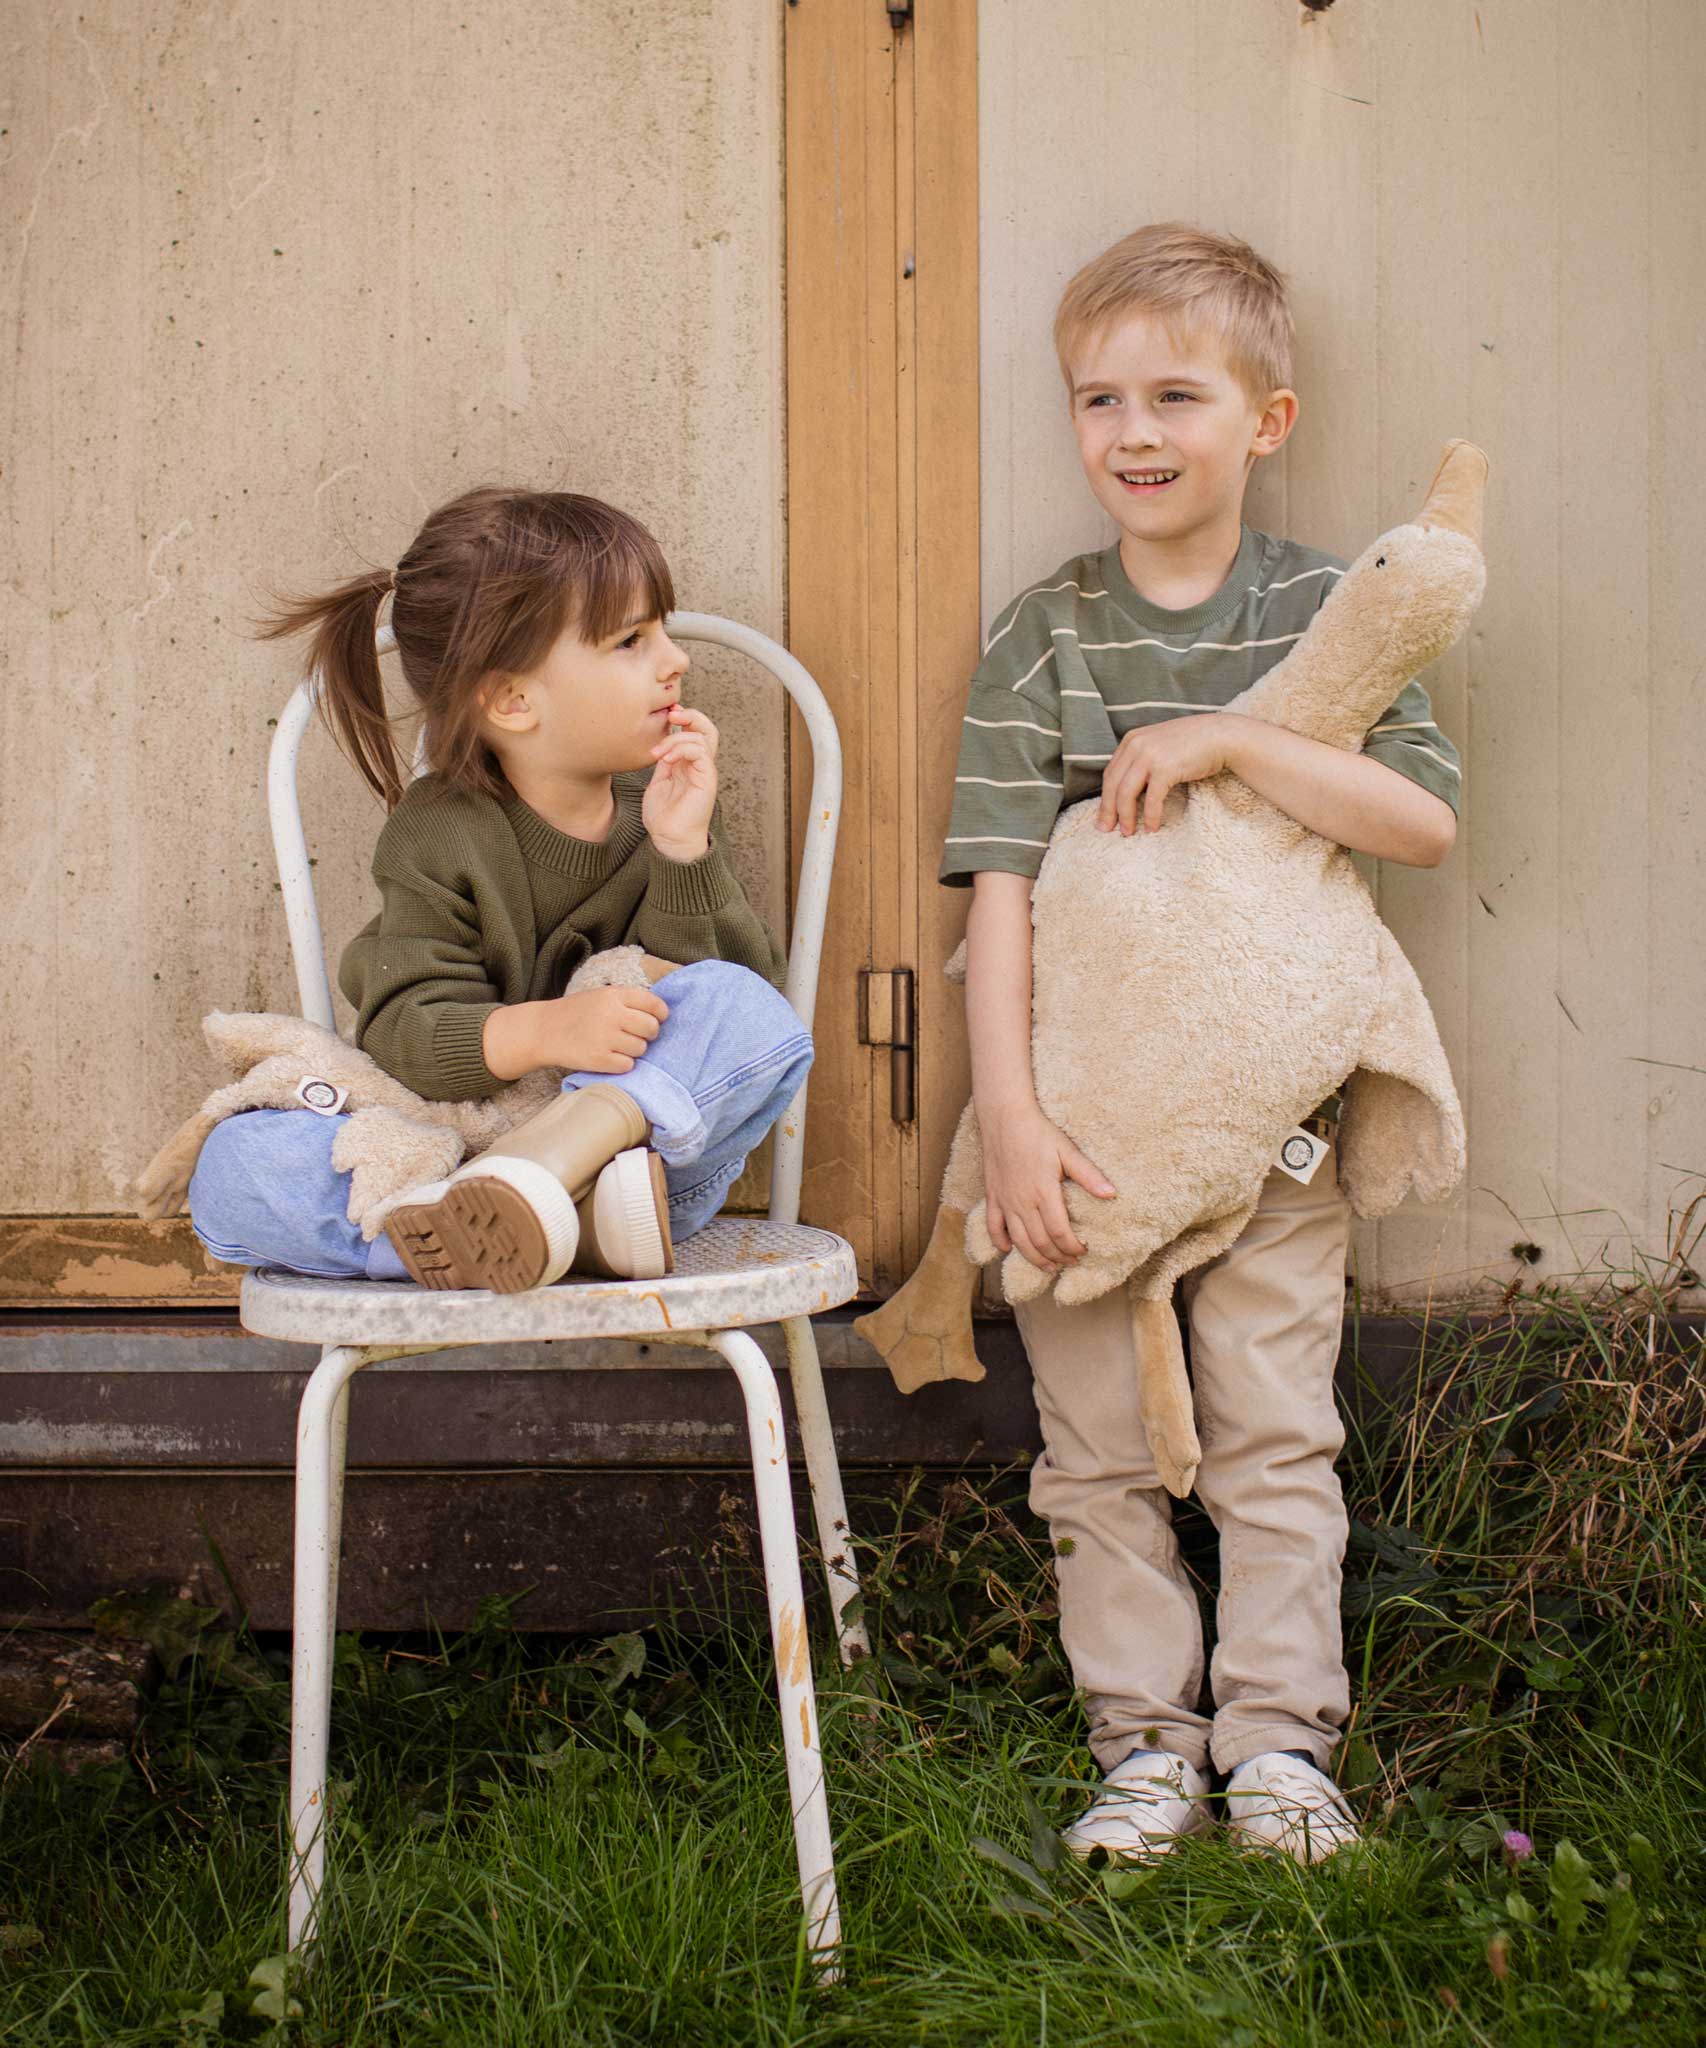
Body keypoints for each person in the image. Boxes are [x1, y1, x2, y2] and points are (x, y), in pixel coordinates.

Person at [943, 225, 1461, 1863]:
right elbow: (999, 893)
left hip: (1274, 1130)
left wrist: (1233, 735)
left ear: (1267, 418)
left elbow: (1423, 823)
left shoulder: (1330, 615)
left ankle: (1281, 1745)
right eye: (1099, 398)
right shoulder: (1046, 636)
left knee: (1270, 1430)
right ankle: (1144, 1748)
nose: (1135, 431)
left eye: (1177, 392)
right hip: (1085, 1128)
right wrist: (1010, 1120)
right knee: (1092, 1449)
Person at [190, 487, 811, 1293]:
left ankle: (548, 1188)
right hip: (450, 1155)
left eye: (663, 630)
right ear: (513, 700)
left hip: (632, 1173)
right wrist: (548, 1030)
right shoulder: (439, 832)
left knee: (754, 1010)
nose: (675, 659)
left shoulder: (662, 801)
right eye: (631, 640)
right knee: (235, 1166)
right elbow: (404, 1030)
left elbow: (715, 993)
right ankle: (468, 1238)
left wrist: (682, 849)